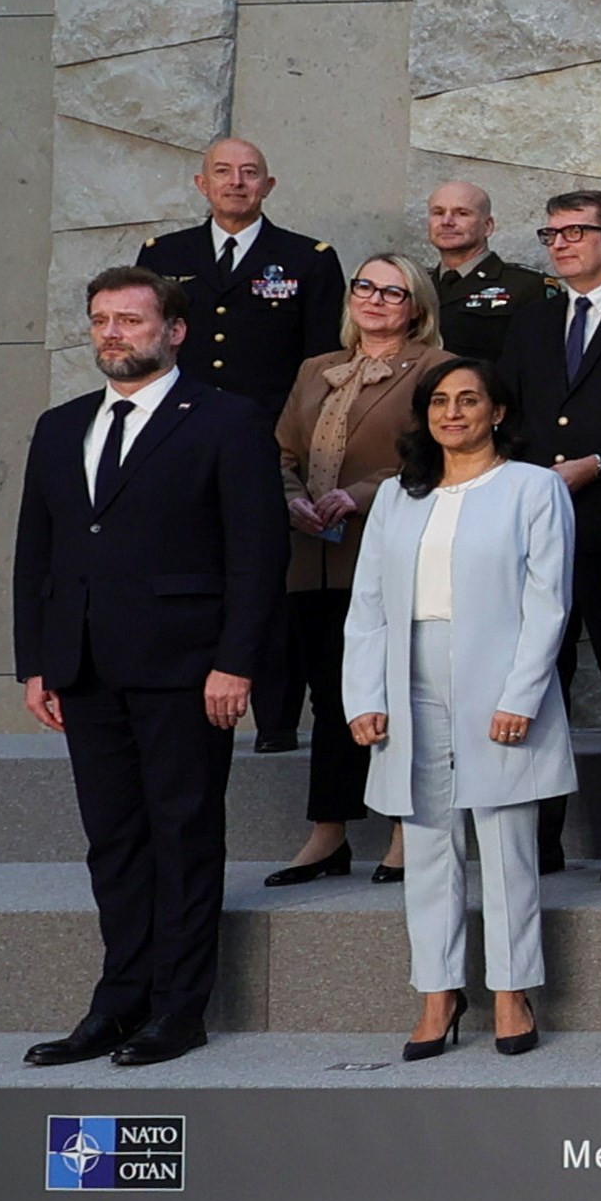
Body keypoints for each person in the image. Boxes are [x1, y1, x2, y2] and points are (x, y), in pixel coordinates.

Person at [12, 266, 284, 1068]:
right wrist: (38, 661)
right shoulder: (61, 427)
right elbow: (38, 554)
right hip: (85, 667)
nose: (112, 333)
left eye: (130, 319)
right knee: (114, 842)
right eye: (101, 319)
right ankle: (119, 1000)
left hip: (187, 668)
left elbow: (256, 552)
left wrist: (236, 663)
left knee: (184, 835)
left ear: (174, 332)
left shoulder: (227, 421)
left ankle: (178, 1009)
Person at [340, 354, 576, 1060]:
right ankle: (438, 992)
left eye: (468, 399)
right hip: (410, 682)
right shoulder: (397, 497)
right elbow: (369, 605)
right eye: (439, 401)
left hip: (497, 683)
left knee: (505, 845)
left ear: (497, 411)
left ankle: (511, 990)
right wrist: (365, 695)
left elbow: (548, 601)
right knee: (431, 844)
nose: (452, 412)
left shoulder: (532, 488)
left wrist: (522, 695)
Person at [264, 256, 446, 885]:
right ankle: (329, 831)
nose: (374, 299)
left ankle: (405, 830)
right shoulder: (316, 369)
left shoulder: (433, 369)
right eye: (365, 286)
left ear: (415, 307)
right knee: (330, 692)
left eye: (392, 292)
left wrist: (362, 494)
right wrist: (291, 497)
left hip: (387, 548)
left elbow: (437, 452)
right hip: (313, 554)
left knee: (395, 690)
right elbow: (281, 450)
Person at [497, 188, 601, 882]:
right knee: (535, 680)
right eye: (551, 233)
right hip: (537, 534)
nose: (560, 244)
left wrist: (600, 464)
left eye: (575, 232)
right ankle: (540, 837)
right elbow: (505, 416)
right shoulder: (531, 324)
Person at [139, 133, 344, 419]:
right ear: (202, 184)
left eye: (249, 172)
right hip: (175, 420)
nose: (236, 181)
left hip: (268, 424)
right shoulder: (162, 254)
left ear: (268, 186)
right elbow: (142, 340)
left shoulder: (309, 259)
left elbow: (324, 358)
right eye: (222, 171)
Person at [419, 178, 547, 348]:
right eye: (438, 212)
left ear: (487, 226)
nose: (446, 221)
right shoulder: (416, 283)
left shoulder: (526, 286)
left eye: (461, 213)